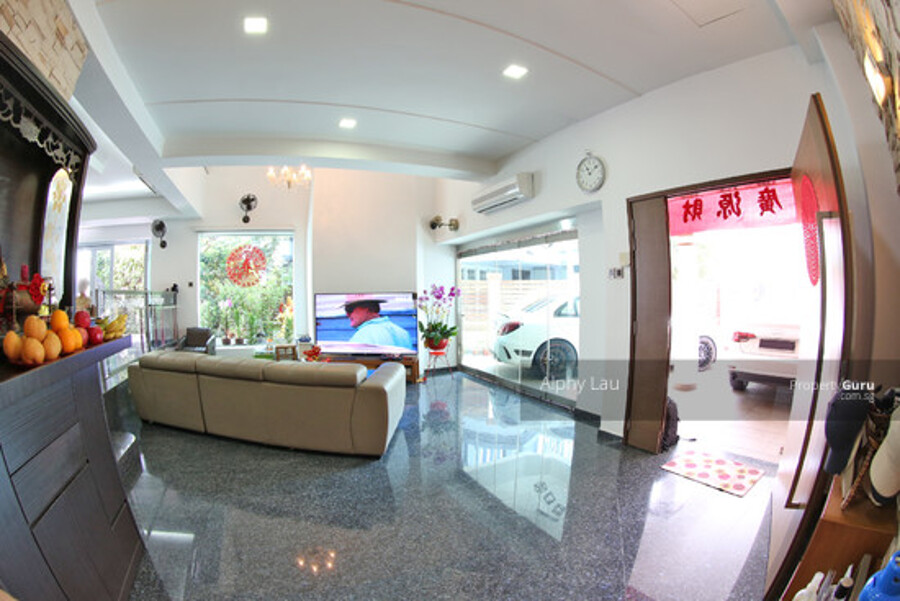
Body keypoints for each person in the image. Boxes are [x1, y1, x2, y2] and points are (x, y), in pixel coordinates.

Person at [344, 297, 413, 350]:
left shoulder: (363, 335)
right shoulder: (403, 333)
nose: (347, 315)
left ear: (366, 309)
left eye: (349, 309)